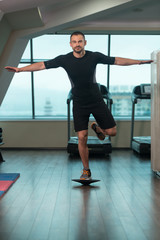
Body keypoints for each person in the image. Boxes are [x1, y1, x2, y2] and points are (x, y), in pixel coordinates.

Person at [5, 31, 153, 180]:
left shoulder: (94, 56)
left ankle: (97, 127)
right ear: (70, 44)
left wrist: (139, 62)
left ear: (85, 43)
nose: (77, 44)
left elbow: (117, 61)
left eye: (80, 41)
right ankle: (86, 170)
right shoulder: (64, 59)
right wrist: (20, 69)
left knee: (112, 132)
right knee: (82, 137)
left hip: (96, 100)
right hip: (79, 102)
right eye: (74, 42)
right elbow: (42, 65)